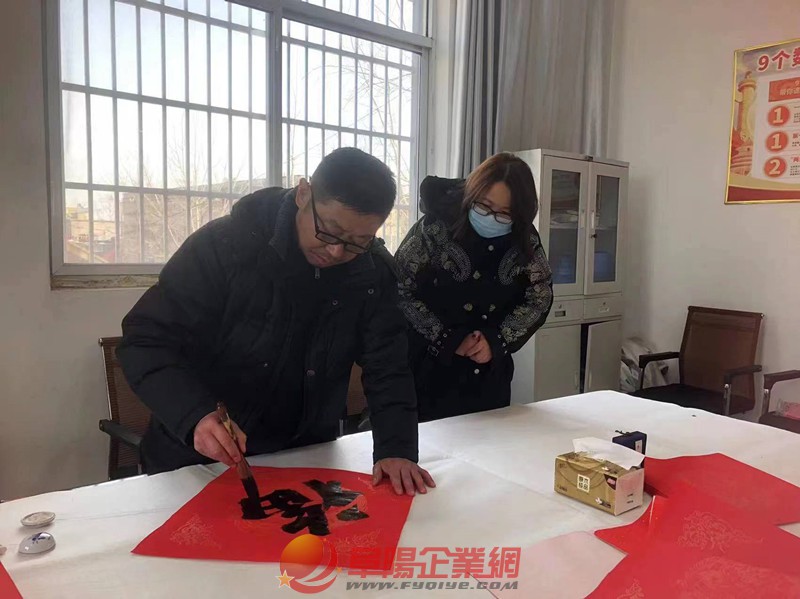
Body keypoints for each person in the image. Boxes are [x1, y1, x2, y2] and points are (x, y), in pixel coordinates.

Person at [117, 148, 435, 496]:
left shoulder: (371, 272)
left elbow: (387, 365)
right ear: (303, 194)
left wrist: (396, 448)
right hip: (196, 460)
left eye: (358, 242)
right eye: (329, 232)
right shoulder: (225, 247)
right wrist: (194, 415)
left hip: (305, 458)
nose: (336, 252)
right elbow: (145, 340)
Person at [395, 153, 554, 422]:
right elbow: (400, 288)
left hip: (489, 375)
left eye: (504, 213)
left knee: (489, 442)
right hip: (428, 370)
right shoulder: (434, 227)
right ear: (471, 194)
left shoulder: (524, 238)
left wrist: (497, 340)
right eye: (484, 206)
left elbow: (540, 295)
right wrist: (447, 339)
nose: (491, 218)